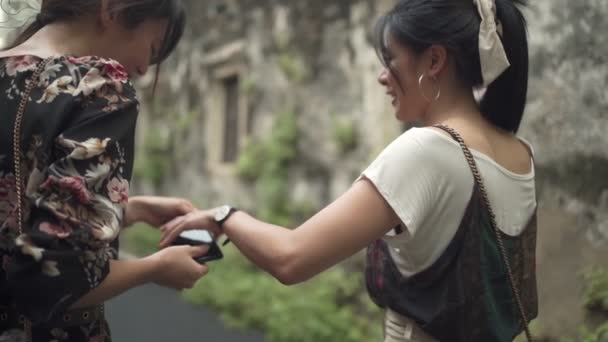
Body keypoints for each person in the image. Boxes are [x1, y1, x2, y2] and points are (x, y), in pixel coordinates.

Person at [160, 0, 538, 341]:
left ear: (434, 61)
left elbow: (291, 258)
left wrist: (224, 215)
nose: (382, 76)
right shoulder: (520, 153)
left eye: (391, 59)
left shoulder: (428, 150)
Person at [0, 1, 209, 341]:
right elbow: (53, 279)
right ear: (112, 8)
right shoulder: (99, 89)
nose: (143, 68)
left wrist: (128, 210)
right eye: (152, 49)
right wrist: (154, 268)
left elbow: (16, 213)